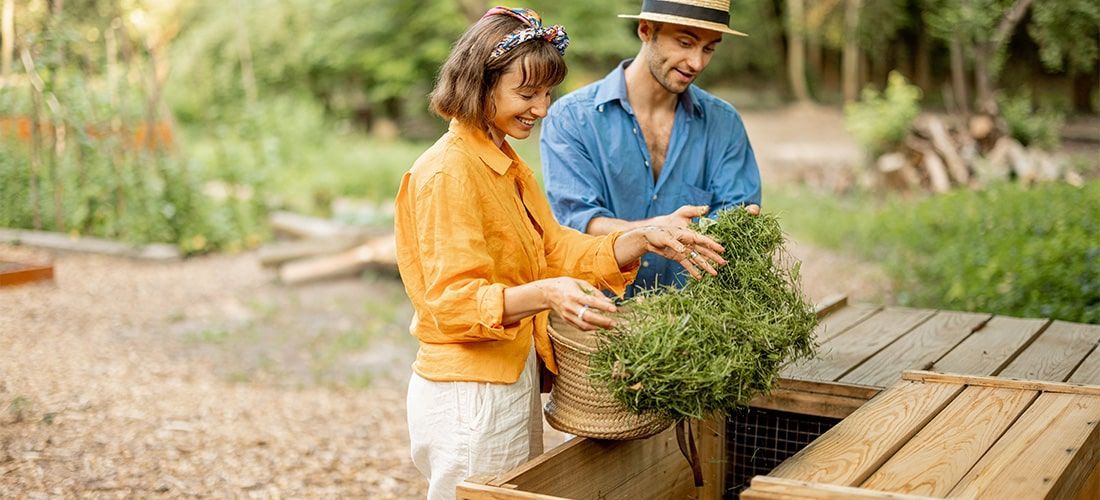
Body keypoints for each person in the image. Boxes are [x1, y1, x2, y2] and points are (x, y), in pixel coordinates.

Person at [393, 7, 728, 499]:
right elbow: (452, 302)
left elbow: (553, 247)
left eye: (547, 93)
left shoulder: (505, 163)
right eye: (526, 94)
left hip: (511, 375)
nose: (543, 108)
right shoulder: (449, 172)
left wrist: (641, 235)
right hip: (470, 393)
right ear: (479, 85)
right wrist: (548, 293)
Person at [540, 0, 762, 295]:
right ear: (645, 30)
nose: (696, 62)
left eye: (709, 48)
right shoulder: (571, 118)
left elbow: (736, 221)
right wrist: (652, 231)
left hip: (693, 323)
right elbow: (579, 223)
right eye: (685, 42)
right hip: (598, 316)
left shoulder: (724, 123)